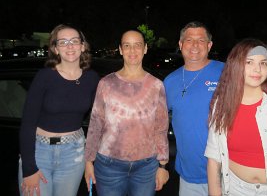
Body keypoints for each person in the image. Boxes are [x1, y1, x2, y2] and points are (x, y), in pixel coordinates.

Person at [205, 38, 267, 196]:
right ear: (236, 65)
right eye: (249, 62)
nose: (257, 69)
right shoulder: (221, 105)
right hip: (235, 189)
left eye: (263, 63)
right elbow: (214, 159)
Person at [84, 29, 169, 196]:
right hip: (108, 166)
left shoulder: (156, 85)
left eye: (137, 45)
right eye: (127, 45)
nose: (132, 50)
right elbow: (95, 124)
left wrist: (163, 166)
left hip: (146, 167)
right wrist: (88, 162)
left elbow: (161, 128)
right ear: (121, 50)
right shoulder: (106, 84)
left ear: (145, 49)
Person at [18, 24, 100, 196]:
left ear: (82, 46)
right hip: (39, 152)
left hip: (74, 153)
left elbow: (99, 119)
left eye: (74, 41)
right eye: (63, 42)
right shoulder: (45, 77)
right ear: (55, 49)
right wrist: (28, 168)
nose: (69, 46)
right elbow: (27, 124)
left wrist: (89, 160)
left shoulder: (92, 78)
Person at [163, 21, 224, 196]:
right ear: (181, 44)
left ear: (209, 45)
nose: (195, 45)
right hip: (190, 176)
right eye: (189, 40)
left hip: (227, 172)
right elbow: (158, 124)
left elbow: (260, 94)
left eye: (201, 40)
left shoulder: (227, 72)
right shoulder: (170, 81)